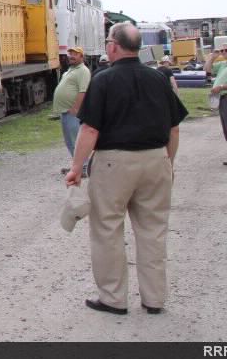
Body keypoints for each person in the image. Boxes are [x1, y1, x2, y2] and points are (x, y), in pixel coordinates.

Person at [65, 22, 187, 316]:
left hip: (114, 162)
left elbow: (90, 130)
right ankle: (154, 299)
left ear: (112, 46)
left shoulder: (103, 80)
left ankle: (113, 298)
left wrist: (76, 168)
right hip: (156, 159)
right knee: (153, 231)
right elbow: (174, 128)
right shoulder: (159, 79)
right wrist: (168, 163)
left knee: (107, 228)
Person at [53, 46, 91, 170]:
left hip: (73, 112)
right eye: (70, 54)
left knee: (76, 140)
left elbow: (83, 91)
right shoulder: (71, 69)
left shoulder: (83, 71)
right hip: (66, 111)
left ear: (81, 56)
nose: (71, 56)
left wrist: (75, 108)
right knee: (70, 141)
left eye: (75, 54)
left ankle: (84, 167)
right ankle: (78, 166)